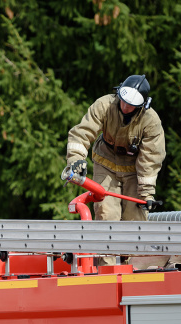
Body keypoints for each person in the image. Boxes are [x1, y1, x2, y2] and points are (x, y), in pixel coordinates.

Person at [63, 75, 166, 262]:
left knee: (135, 218)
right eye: (123, 101)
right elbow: (82, 133)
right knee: (106, 213)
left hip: (135, 170)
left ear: (143, 106)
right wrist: (76, 160)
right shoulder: (105, 105)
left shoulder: (151, 121)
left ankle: (132, 268)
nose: (125, 107)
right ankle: (105, 268)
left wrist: (147, 194)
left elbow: (150, 160)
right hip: (106, 162)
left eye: (131, 105)